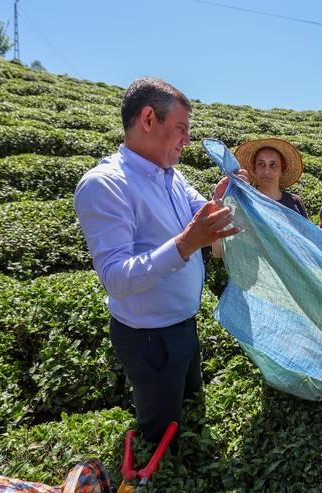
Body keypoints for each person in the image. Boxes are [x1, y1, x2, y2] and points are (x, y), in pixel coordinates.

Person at [73, 76, 245, 447]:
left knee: (190, 401)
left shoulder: (171, 176)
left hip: (183, 324)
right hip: (149, 337)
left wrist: (224, 200)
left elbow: (202, 212)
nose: (186, 140)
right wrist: (186, 243)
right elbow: (115, 277)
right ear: (149, 119)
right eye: (181, 129)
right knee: (162, 429)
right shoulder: (105, 184)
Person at [211, 137, 306, 257]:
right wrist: (218, 203)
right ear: (254, 169)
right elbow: (218, 252)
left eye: (273, 165)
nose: (267, 170)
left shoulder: (295, 202)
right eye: (261, 164)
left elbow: (307, 245)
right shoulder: (243, 203)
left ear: (281, 170)